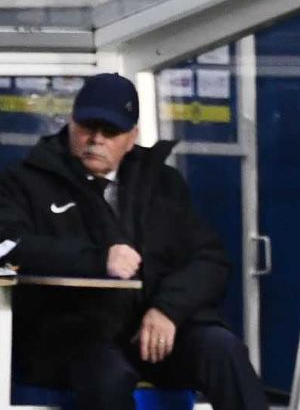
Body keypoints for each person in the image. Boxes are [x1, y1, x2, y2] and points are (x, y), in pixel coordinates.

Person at [0, 74, 268, 410]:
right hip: (74, 337)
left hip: (154, 329)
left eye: (110, 131)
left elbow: (209, 259)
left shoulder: (162, 183)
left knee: (222, 348)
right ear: (70, 122)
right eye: (87, 126)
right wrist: (97, 260)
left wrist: (168, 309)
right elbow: (7, 250)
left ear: (131, 138)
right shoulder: (24, 181)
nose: (95, 139)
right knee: (108, 378)